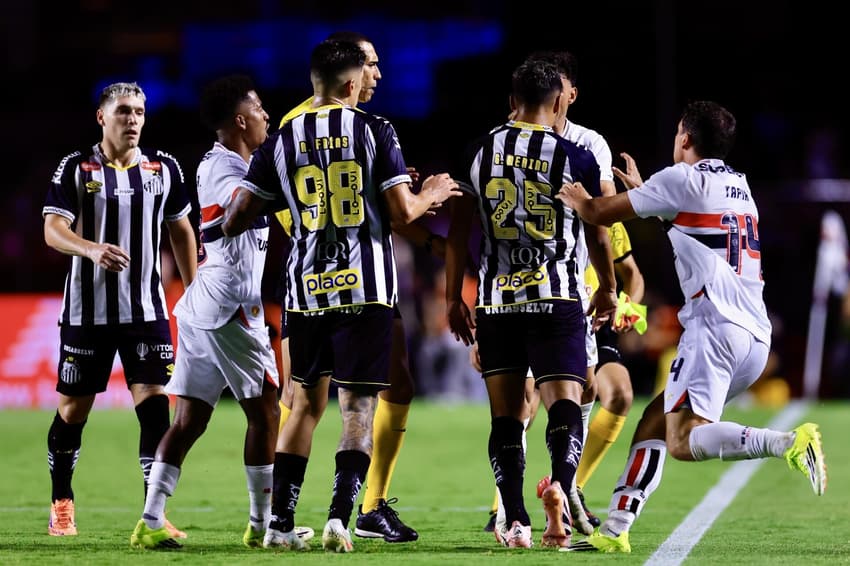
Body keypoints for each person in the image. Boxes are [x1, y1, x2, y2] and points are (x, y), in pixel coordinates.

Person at [222, 39, 461, 552]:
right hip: (364, 289)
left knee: (303, 405)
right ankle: (338, 517)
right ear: (351, 84)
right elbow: (401, 213)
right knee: (357, 410)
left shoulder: (281, 140)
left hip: (306, 291)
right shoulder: (374, 129)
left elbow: (237, 216)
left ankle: (280, 525)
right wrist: (432, 194)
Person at [558, 100, 827, 553]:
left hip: (714, 331)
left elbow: (600, 213)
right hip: (753, 337)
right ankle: (615, 530)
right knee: (654, 422)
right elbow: (690, 226)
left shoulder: (682, 178)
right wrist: (647, 192)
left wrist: (576, 196)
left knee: (682, 440)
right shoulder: (740, 186)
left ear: (685, 138)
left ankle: (787, 443)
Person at [446, 58, 617, 549]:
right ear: (559, 101)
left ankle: (515, 519)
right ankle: (560, 491)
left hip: (498, 302)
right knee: (565, 405)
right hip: (558, 296)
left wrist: (454, 294)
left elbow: (459, 230)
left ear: (510, 100)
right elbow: (598, 229)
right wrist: (605, 286)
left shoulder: (479, 151)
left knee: (506, 418)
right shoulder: (574, 155)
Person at [274, 30, 438, 543]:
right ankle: (325, 513)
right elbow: (292, 215)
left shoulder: (300, 131)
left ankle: (354, 506)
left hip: (311, 287)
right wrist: (417, 196)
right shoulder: (345, 126)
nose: (378, 75)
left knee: (394, 382)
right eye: (371, 65)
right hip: (354, 284)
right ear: (347, 72)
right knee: (323, 401)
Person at [481, 49, 647, 537]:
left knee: (588, 389)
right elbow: (599, 221)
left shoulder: (582, 143)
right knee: (537, 398)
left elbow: (610, 235)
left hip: (542, 293)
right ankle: (515, 501)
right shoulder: (552, 151)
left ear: (569, 94)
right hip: (559, 294)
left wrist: (621, 299)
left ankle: (556, 490)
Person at [126, 75, 285, 549]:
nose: (266, 117)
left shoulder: (235, 162)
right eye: (259, 110)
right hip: (229, 305)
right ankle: (263, 527)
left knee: (189, 421)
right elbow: (238, 211)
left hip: (204, 305)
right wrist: (280, 166)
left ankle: (150, 519)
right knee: (267, 412)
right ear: (240, 119)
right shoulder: (225, 168)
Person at [42, 82, 196, 538]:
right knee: (73, 411)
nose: (133, 120)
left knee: (153, 408)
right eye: (124, 111)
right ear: (101, 117)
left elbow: (182, 229)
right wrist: (90, 250)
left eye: (140, 112)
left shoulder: (163, 168)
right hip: (87, 315)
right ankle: (61, 501)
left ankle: (153, 512)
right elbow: (53, 229)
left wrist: (191, 292)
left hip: (145, 311)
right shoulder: (75, 167)